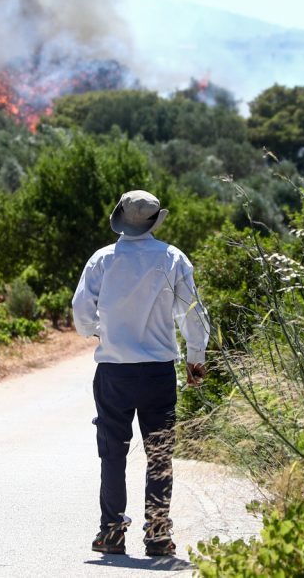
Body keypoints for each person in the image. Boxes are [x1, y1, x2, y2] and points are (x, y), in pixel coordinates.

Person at [71, 190, 209, 557]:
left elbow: (81, 311)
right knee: (159, 454)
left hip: (114, 372)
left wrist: (98, 331)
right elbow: (193, 313)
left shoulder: (102, 260)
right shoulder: (172, 258)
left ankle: (112, 532)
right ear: (153, 222)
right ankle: (158, 534)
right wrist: (195, 358)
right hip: (158, 373)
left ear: (120, 218)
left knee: (112, 452)